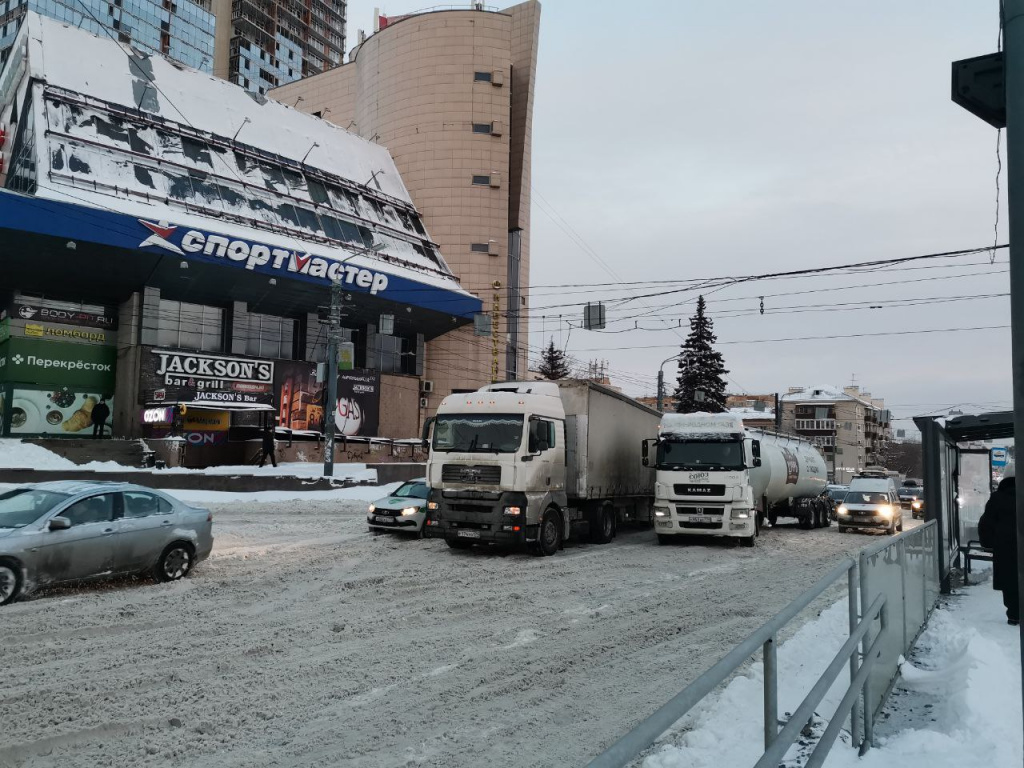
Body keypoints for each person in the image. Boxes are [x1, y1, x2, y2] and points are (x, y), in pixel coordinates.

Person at [979, 463, 1019, 625]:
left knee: (1009, 582)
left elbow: (986, 524)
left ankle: (1014, 614)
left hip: (1005, 549)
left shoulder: (997, 498)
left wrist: (988, 543)